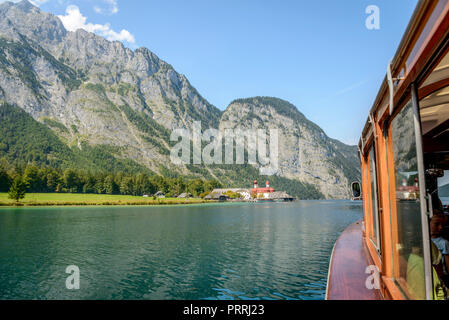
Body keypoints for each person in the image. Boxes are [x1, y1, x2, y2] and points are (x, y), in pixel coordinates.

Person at [431, 214, 449, 287]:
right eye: (437, 224)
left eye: (442, 225)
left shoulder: (444, 242)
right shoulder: (423, 241)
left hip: (441, 276)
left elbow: (448, 264)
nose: (441, 227)